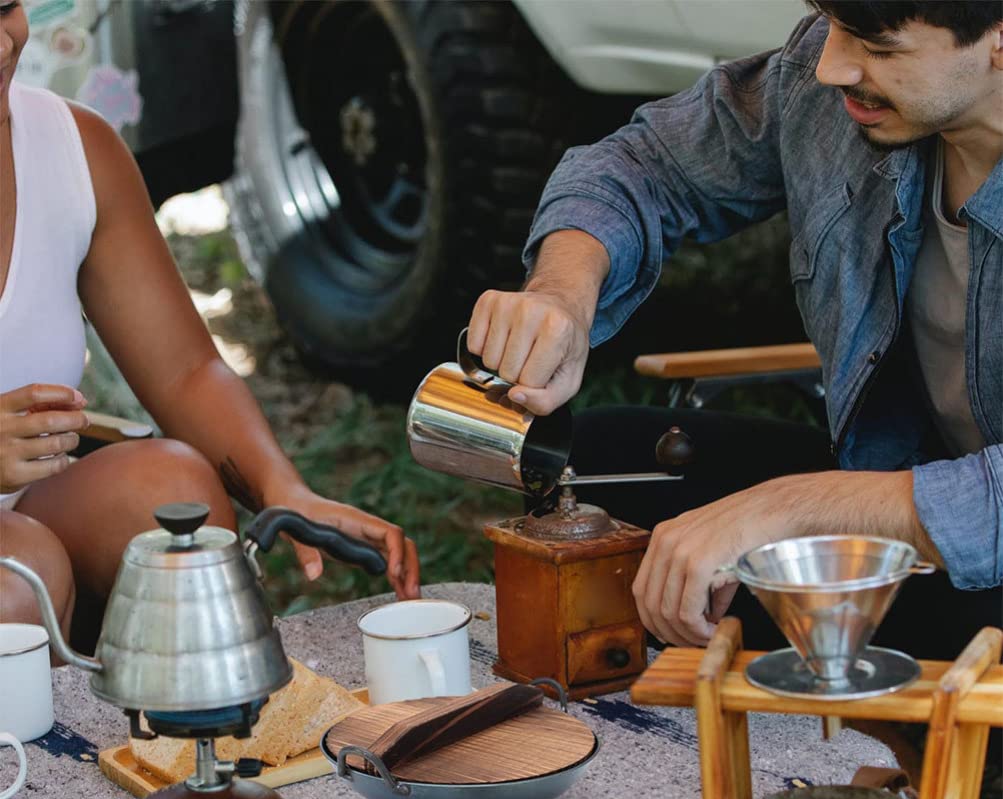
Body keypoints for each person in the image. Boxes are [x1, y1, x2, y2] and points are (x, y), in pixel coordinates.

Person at [465, 0, 1002, 659]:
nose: (830, 65)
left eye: (877, 47)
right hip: (891, 497)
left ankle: (887, 715)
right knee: (601, 461)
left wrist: (782, 509)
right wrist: (562, 290)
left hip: (983, 556)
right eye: (828, 23)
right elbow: (646, 164)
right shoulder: (825, 80)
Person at [0, 1, 420, 643]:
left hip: (23, 507)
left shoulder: (73, 149)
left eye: (4, 8)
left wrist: (282, 486)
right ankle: (62, 746)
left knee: (172, 498)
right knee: (19, 579)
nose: (2, 44)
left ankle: (180, 739)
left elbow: (187, 370)